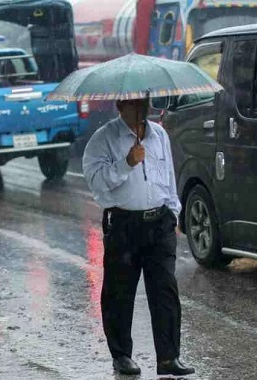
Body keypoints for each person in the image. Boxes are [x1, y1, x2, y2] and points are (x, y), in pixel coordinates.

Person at [82, 98, 195, 377]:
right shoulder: (103, 139)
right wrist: (127, 163)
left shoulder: (159, 135)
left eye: (144, 103)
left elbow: (168, 176)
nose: (142, 110)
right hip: (124, 224)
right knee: (120, 293)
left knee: (165, 290)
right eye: (135, 105)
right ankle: (121, 355)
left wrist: (173, 212)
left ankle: (169, 357)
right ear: (121, 105)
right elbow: (97, 182)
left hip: (159, 223)